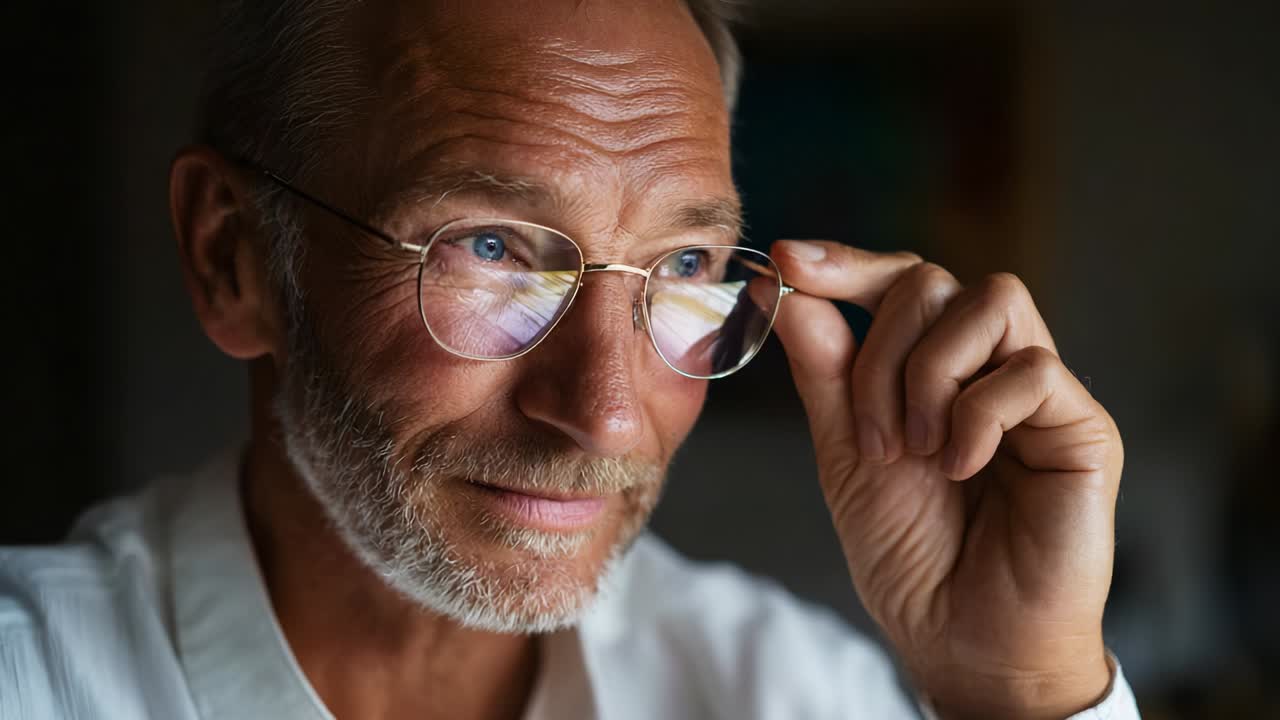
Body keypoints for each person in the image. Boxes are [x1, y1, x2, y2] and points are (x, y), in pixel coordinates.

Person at [0, 1, 1142, 718]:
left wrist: (1020, 693)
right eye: (490, 249)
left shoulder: (786, 692)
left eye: (685, 265)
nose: (604, 416)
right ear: (234, 256)